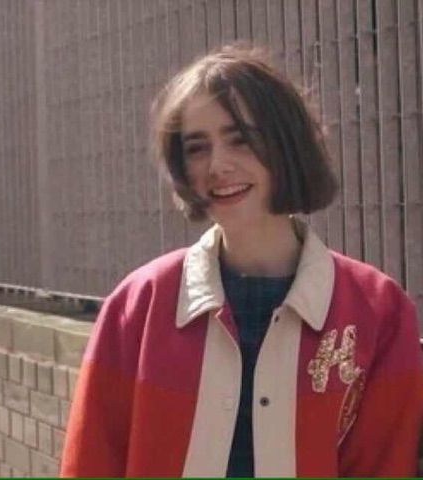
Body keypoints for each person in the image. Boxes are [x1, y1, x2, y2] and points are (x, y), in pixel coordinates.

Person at [60, 45, 423, 477]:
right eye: (197, 148)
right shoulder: (137, 306)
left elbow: (385, 465)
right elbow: (91, 462)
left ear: (286, 143)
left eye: (240, 139)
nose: (217, 165)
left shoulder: (379, 312)